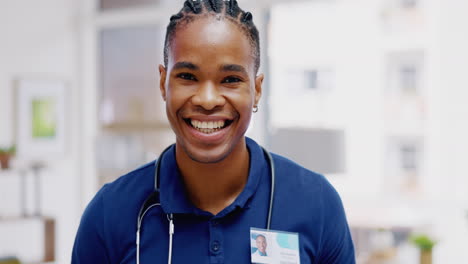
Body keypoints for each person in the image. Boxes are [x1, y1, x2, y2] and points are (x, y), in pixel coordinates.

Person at [72, 0, 355, 263]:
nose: (208, 100)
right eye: (187, 77)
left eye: (230, 79)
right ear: (163, 83)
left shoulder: (316, 204)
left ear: (256, 90)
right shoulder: (110, 213)